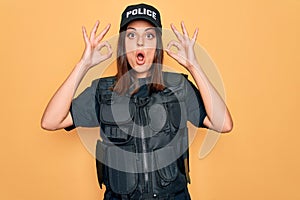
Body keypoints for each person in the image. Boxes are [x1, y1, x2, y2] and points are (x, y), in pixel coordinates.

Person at [41, 3, 233, 200]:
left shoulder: (178, 87)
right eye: (132, 35)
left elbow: (223, 123)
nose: (140, 42)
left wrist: (194, 66)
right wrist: (83, 65)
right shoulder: (103, 91)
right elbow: (51, 121)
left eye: (149, 35)